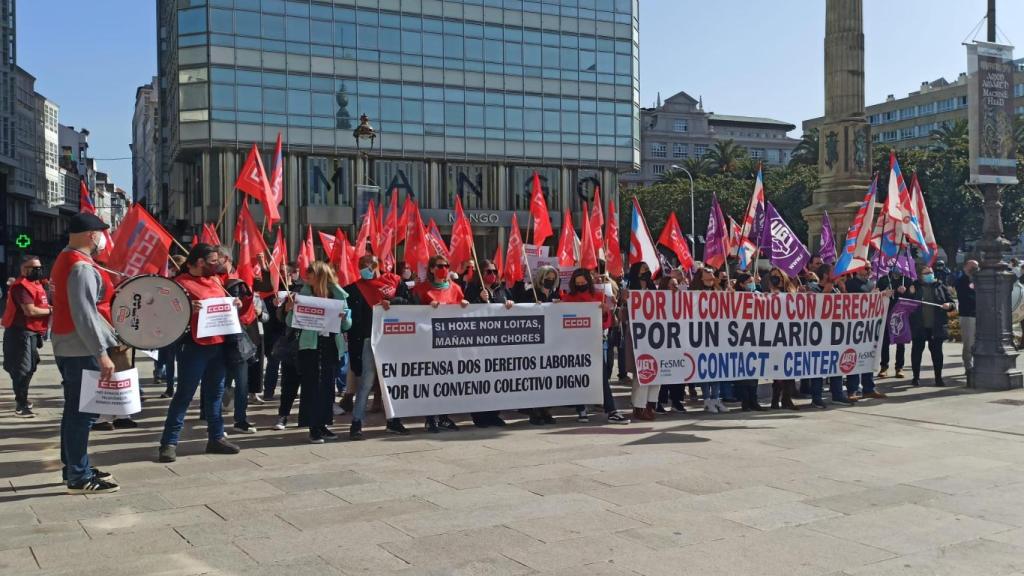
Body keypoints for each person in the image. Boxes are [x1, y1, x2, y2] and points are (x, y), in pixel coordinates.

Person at [49, 213, 120, 493]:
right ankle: (79, 476)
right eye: (102, 233)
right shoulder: (79, 266)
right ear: (92, 235)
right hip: (80, 348)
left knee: (75, 411)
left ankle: (76, 466)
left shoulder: (65, 259)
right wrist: (101, 353)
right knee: (83, 413)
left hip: (68, 344)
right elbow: (85, 314)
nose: (103, 238)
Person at [158, 243, 242, 463]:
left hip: (219, 345)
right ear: (200, 262)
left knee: (215, 394)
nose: (218, 264)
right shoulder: (179, 284)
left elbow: (222, 303)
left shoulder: (215, 280)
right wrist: (186, 308)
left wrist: (234, 304)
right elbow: (164, 313)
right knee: (184, 394)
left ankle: (216, 437)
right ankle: (169, 442)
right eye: (214, 261)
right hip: (194, 347)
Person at [285, 261, 352, 443]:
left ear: (320, 275)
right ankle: (312, 426)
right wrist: (290, 310)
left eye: (311, 274)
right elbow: (292, 321)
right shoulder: (304, 294)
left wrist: (345, 318)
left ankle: (323, 424)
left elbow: (347, 324)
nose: (307, 277)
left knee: (328, 387)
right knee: (311, 387)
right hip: (310, 346)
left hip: (331, 344)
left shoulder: (338, 295)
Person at [346, 254, 411, 439]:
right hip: (368, 340)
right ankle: (356, 423)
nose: (364, 269)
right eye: (361, 266)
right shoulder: (353, 289)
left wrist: (393, 302)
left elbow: (410, 303)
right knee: (366, 383)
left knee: (391, 382)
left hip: (392, 339)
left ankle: (393, 421)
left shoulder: (394, 284)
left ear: (377, 266)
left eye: (368, 265)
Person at [413, 255, 469, 432]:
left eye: (446, 265)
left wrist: (466, 305)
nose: (443, 268)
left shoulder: (456, 289)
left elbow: (463, 312)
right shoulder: (421, 290)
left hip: (450, 342)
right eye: (439, 266)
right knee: (431, 380)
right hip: (428, 343)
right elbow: (411, 312)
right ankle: (430, 418)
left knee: (448, 381)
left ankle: (444, 417)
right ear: (431, 269)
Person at [464, 259, 514, 427]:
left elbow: (513, 305)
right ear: (481, 274)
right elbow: (465, 311)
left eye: (494, 271)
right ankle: (479, 416)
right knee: (480, 381)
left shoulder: (502, 289)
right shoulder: (472, 289)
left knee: (497, 381)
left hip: (499, 343)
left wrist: (510, 304)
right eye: (488, 272)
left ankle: (494, 414)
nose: (492, 275)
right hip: (479, 343)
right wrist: (478, 299)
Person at [2, 255, 52, 417]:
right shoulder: (22, 287)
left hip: (31, 332)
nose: (38, 270)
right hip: (20, 333)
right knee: (22, 370)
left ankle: (23, 399)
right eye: (34, 268)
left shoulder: (35, 284)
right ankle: (21, 404)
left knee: (30, 367)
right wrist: (52, 310)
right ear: (24, 269)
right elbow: (30, 311)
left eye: (39, 267)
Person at [909, 265, 956, 387]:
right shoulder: (915, 286)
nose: (929, 275)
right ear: (920, 275)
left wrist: (948, 305)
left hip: (936, 326)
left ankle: (938, 378)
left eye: (930, 272)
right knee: (916, 352)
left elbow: (952, 303)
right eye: (926, 273)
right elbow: (907, 304)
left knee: (937, 353)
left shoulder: (940, 286)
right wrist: (911, 294)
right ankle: (916, 377)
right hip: (919, 326)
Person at [623, 261, 659, 420]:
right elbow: (622, 316)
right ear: (637, 272)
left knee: (658, 373)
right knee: (642, 373)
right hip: (637, 336)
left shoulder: (655, 290)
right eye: (644, 269)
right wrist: (624, 302)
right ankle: (639, 406)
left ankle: (651, 405)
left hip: (657, 336)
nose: (647, 271)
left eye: (648, 268)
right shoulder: (629, 291)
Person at [690, 266, 729, 413]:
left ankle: (715, 398)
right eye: (708, 273)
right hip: (701, 336)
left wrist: (730, 295)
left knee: (717, 369)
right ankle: (707, 399)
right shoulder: (693, 293)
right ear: (701, 277)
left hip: (717, 335)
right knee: (705, 369)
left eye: (712, 273)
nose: (712, 275)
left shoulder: (718, 292)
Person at [842, 264, 882, 401]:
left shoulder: (871, 284)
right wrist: (871, 297)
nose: (869, 270)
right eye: (866, 268)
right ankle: (852, 390)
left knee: (868, 357)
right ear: (857, 268)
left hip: (868, 328)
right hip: (854, 327)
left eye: (870, 268)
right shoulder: (851, 284)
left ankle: (868, 388)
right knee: (853, 357)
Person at [765, 267, 799, 410]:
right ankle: (774, 400)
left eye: (778, 276)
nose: (776, 278)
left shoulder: (791, 293)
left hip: (790, 336)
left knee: (789, 371)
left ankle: (787, 399)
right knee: (777, 372)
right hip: (774, 338)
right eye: (773, 276)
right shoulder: (766, 294)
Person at [732, 272, 764, 411]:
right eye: (749, 282)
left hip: (755, 337)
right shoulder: (735, 296)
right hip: (740, 338)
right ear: (741, 284)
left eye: (753, 281)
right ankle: (745, 401)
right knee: (743, 372)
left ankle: (753, 400)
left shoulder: (758, 294)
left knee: (754, 370)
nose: (752, 284)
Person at [655, 274, 686, 413]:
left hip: (678, 341)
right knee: (664, 373)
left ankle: (677, 401)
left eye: (677, 284)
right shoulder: (658, 300)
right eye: (673, 285)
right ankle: (659, 402)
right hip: (663, 341)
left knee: (679, 373)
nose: (676, 287)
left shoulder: (682, 298)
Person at [876, 269, 908, 379]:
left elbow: (913, 296)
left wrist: (907, 291)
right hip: (886, 313)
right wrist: (885, 292)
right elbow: (875, 295)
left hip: (901, 314)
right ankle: (884, 366)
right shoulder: (884, 279)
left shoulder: (907, 280)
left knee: (900, 341)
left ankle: (899, 367)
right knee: (885, 341)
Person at [955, 260, 978, 376]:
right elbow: (966, 296)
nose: (975, 268)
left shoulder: (978, 279)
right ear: (965, 267)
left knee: (978, 342)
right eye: (972, 267)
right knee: (969, 342)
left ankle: (977, 365)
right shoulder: (962, 280)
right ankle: (968, 366)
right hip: (967, 315)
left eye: (976, 267)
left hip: (979, 315)